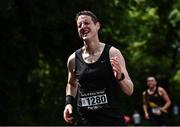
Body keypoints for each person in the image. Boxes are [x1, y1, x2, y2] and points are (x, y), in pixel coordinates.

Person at [63, 10, 134, 126]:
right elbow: (72, 84)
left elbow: (130, 90)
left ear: (97, 26)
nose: (82, 27)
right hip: (85, 121)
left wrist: (120, 77)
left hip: (111, 121)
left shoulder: (112, 53)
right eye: (79, 25)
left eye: (86, 23)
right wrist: (68, 103)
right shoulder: (73, 59)